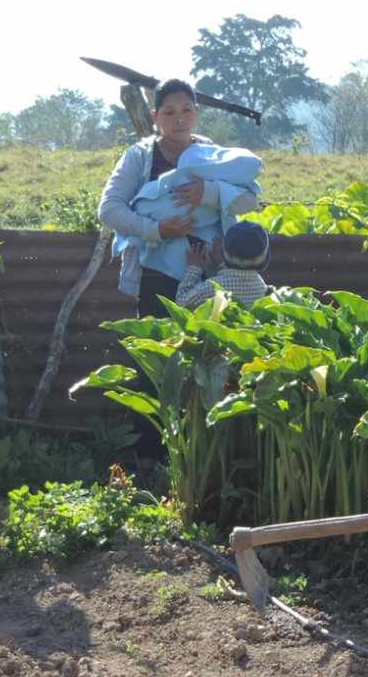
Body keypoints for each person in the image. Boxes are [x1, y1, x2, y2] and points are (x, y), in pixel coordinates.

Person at [99, 78, 259, 464]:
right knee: (157, 363)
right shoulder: (139, 157)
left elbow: (252, 199)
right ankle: (153, 459)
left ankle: (203, 456)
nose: (179, 119)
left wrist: (211, 194)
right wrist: (157, 229)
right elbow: (109, 209)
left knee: (208, 360)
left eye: (186, 110)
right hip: (156, 275)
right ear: (155, 117)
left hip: (209, 277)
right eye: (169, 112)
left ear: (196, 113)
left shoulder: (212, 154)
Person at [177, 221, 270, 309]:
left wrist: (194, 268)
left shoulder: (212, 287)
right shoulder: (261, 287)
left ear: (223, 252)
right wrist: (219, 266)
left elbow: (182, 302)